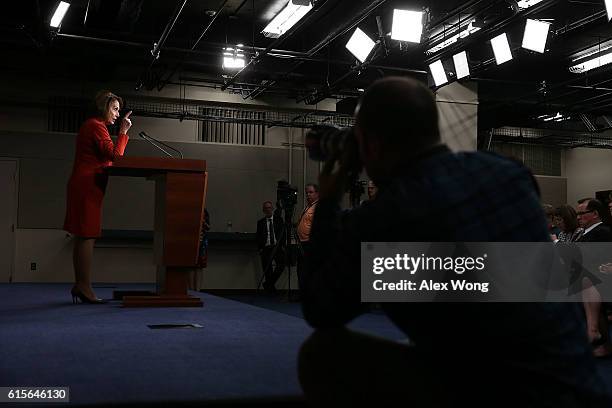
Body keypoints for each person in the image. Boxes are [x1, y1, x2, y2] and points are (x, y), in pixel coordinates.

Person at [298, 77, 611, 406]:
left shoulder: (381, 218)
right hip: (577, 384)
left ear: (371, 145)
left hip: (499, 393)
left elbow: (321, 310)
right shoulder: (509, 174)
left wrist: (330, 198)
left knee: (320, 353)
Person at [63, 90, 132, 304]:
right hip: (88, 186)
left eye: (119, 110)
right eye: (115, 109)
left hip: (86, 186)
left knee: (84, 235)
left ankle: (80, 285)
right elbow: (115, 155)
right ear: (104, 107)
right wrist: (123, 133)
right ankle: (84, 287)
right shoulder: (96, 126)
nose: (118, 114)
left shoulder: (94, 126)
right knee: (87, 235)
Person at [576, 198, 612, 357]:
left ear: (595, 214)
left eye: (581, 213)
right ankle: (594, 334)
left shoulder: (602, 231)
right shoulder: (585, 232)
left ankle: (595, 334)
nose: (577, 217)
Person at [256, 201, 285, 293]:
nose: (268, 210)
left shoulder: (278, 220)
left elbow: (282, 233)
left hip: (277, 247)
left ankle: (268, 284)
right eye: (266, 208)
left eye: (269, 208)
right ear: (263, 210)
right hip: (266, 247)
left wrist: (283, 245)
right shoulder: (260, 222)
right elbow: (258, 236)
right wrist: (260, 248)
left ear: (272, 209)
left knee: (281, 265)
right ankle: (270, 289)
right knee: (267, 269)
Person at [296, 184, 319, 296]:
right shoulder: (307, 207)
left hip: (310, 243)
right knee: (300, 269)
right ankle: (303, 293)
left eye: (311, 192)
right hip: (302, 242)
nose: (308, 195)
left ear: (317, 193)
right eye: (306, 193)